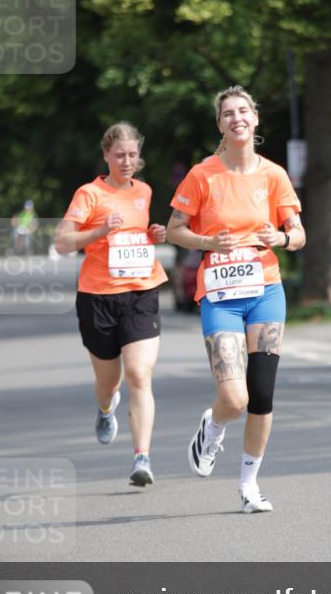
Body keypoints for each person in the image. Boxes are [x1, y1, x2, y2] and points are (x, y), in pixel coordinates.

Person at [166, 86, 305, 513]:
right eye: (228, 113)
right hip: (222, 295)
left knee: (261, 396)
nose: (237, 118)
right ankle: (212, 428)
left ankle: (249, 486)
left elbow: (298, 234)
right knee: (234, 399)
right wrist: (209, 240)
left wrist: (280, 237)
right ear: (220, 125)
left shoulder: (274, 175)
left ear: (256, 119)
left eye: (244, 111)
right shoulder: (202, 175)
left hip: (265, 290)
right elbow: (174, 229)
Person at [55, 123, 168, 486]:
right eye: (119, 154)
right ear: (106, 155)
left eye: (132, 155)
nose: (126, 161)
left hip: (141, 291)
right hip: (97, 297)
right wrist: (100, 231)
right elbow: (62, 242)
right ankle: (106, 409)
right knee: (109, 383)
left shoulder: (144, 191)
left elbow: (139, 230)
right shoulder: (89, 193)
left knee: (139, 374)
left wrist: (153, 234)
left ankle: (142, 458)